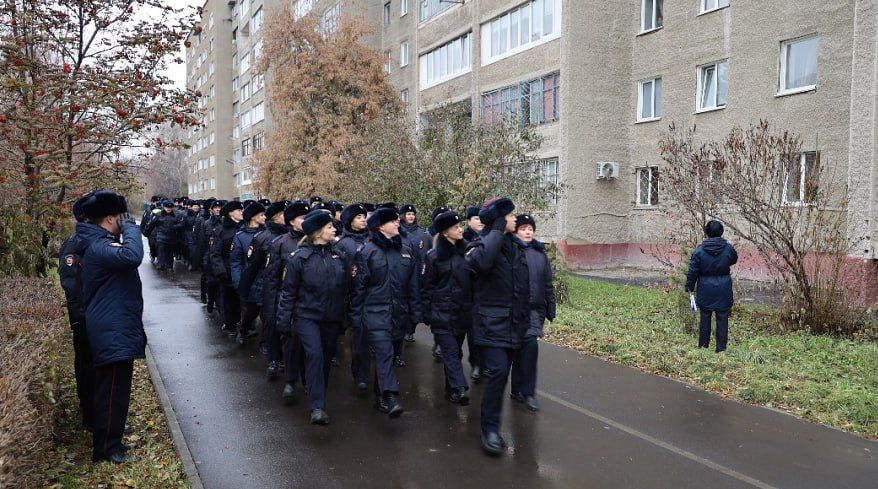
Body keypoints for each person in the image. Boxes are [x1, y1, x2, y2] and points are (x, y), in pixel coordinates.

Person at [77, 190, 145, 464]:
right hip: (111, 328)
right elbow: (133, 256)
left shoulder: (101, 243)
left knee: (116, 390)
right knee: (111, 391)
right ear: (109, 218)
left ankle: (112, 440)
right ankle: (106, 448)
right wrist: (131, 229)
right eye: (120, 217)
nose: (123, 221)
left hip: (114, 326)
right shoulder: (100, 247)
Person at [465, 197, 529, 456]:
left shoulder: (517, 246)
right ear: (500, 220)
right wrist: (496, 232)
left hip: (514, 323)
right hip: (490, 323)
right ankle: (489, 429)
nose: (516, 219)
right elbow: (481, 264)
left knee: (504, 374)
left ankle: (492, 426)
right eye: (511, 216)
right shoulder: (479, 244)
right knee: (498, 372)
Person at [276, 210, 348, 425]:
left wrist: (346, 317)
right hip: (307, 316)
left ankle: (317, 392)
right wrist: (283, 321)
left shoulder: (340, 255)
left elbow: (346, 289)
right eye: (329, 227)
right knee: (315, 354)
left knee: (325, 358)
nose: (334, 230)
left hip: (332, 317)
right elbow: (288, 292)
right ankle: (317, 407)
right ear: (317, 232)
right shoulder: (299, 258)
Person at [349, 207, 421, 418]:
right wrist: (356, 318)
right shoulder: (367, 252)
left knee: (389, 354)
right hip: (374, 313)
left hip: (398, 313)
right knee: (384, 352)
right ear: (380, 227)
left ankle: (379, 395)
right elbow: (358, 289)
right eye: (392, 221)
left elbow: (413, 285)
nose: (398, 223)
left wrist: (415, 313)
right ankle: (390, 396)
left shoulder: (405, 250)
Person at [422, 211, 472, 406]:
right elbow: (427, 287)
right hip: (441, 312)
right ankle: (459, 388)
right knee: (450, 352)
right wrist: (426, 312)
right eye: (455, 227)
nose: (460, 230)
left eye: (460, 226)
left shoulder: (467, 253)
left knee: (456, 352)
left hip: (462, 312)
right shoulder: (434, 257)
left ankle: (450, 389)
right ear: (444, 233)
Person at [510, 214, 556, 413]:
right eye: (523, 229)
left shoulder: (540, 253)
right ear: (515, 232)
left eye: (530, 229)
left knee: (530, 348)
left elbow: (547, 283)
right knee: (516, 351)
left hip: (534, 311)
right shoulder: (511, 251)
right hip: (514, 312)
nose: (528, 232)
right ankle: (516, 389)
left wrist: (551, 307)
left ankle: (529, 393)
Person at [263, 200, 310, 393]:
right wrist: (270, 310)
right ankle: (289, 379)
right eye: (302, 218)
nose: (306, 221)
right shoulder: (280, 244)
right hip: (287, 300)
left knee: (308, 345)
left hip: (309, 301)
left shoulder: (315, 240)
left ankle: (307, 380)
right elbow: (272, 279)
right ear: (291, 221)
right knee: (289, 342)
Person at [59, 192, 96, 432]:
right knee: (88, 366)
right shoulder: (75, 246)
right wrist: (84, 319)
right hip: (85, 319)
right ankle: (91, 416)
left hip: (96, 317)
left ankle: (99, 414)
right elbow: (73, 288)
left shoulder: (92, 242)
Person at [239, 201, 289, 357]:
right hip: (263, 284)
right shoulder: (262, 237)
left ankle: (273, 349)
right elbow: (251, 266)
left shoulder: (291, 236)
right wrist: (244, 289)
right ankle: (246, 332)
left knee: (276, 319)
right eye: (284, 214)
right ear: (276, 217)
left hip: (284, 286)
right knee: (257, 315)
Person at [685, 220, 738, 353]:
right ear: (721, 232)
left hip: (705, 288)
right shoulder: (728, 248)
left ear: (707, 232)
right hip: (723, 288)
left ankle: (703, 347)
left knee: (705, 317)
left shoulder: (699, 250)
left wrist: (689, 287)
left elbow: (693, 270)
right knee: (722, 318)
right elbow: (733, 259)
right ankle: (721, 349)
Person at [336, 203, 371, 391]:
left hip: (373, 296)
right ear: (350, 221)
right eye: (358, 217)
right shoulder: (343, 244)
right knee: (359, 339)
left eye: (364, 216)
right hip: (354, 298)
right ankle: (360, 375)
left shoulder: (372, 239)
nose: (363, 220)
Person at [231, 202, 266, 345]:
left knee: (267, 314)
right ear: (252, 217)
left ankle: (266, 343)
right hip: (250, 281)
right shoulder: (240, 236)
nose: (264, 217)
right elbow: (236, 262)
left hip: (265, 279)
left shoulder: (267, 234)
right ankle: (243, 331)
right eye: (261, 215)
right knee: (250, 312)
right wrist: (239, 282)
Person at [210, 200, 244, 337]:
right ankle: (230, 324)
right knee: (229, 299)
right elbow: (215, 253)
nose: (242, 213)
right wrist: (221, 272)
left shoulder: (244, 228)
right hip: (227, 271)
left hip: (243, 270)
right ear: (230, 213)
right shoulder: (221, 230)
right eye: (239, 210)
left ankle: (242, 323)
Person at [399, 204, 430, 343]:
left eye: (412, 214)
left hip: (418, 272)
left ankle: (411, 329)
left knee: (416, 300)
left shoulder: (422, 233)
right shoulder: (398, 232)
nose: (411, 216)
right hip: (403, 271)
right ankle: (403, 328)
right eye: (408, 214)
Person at [462, 205, 485, 381]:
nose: (480, 221)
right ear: (469, 221)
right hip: (468, 292)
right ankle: (476, 363)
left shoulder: (489, 238)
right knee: (473, 331)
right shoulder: (463, 239)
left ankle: (484, 363)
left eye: (481, 218)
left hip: (486, 291)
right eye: (476, 218)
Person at [144, 199, 182, 271]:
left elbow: (180, 224)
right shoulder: (159, 215)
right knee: (161, 251)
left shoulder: (176, 215)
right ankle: (161, 264)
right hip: (161, 237)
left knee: (170, 252)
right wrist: (146, 232)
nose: (168, 209)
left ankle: (169, 266)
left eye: (170, 207)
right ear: (164, 207)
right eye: (167, 207)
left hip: (172, 237)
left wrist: (175, 227)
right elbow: (151, 224)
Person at [200, 199, 224, 312]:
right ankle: (210, 299)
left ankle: (219, 305)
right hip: (209, 256)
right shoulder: (206, 223)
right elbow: (202, 241)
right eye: (216, 208)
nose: (218, 210)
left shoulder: (225, 222)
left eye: (219, 208)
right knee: (210, 282)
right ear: (212, 210)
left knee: (220, 283)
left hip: (220, 257)